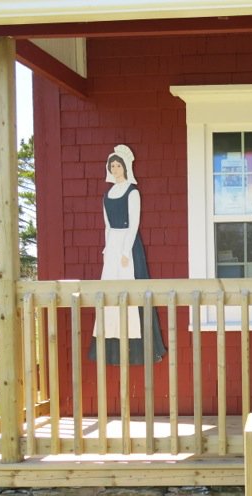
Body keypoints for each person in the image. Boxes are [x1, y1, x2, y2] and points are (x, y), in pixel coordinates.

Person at [88, 144, 166, 365]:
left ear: (124, 167)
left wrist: (125, 251)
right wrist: (107, 249)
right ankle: (110, 340)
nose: (115, 168)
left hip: (127, 246)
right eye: (111, 165)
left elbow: (134, 224)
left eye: (118, 165)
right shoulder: (107, 195)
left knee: (129, 290)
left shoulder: (132, 192)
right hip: (112, 245)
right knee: (109, 291)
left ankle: (136, 343)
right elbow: (106, 226)